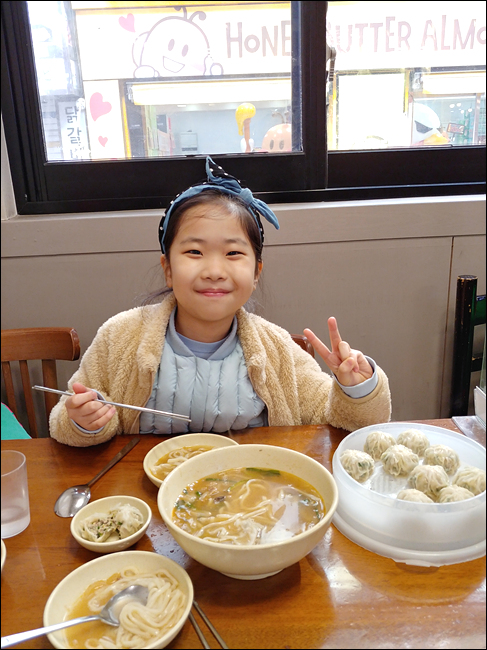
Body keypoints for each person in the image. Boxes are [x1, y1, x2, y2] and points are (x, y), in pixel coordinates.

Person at [50, 157, 391, 446]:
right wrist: (84, 421)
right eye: (194, 252)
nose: (214, 271)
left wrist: (357, 389)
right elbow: (66, 419)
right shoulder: (120, 337)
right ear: (168, 269)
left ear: (256, 272)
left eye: (233, 253)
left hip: (248, 491)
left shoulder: (276, 349)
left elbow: (339, 418)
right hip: (147, 491)